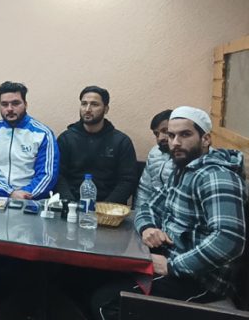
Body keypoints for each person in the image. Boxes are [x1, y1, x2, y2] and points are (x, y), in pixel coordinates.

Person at [92, 106, 246, 319]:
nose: (175, 142)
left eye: (185, 134)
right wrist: (147, 227)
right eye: (171, 135)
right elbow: (147, 206)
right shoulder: (181, 170)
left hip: (200, 281)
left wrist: (173, 267)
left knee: (105, 303)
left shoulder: (217, 177)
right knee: (93, 276)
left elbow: (229, 239)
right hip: (169, 260)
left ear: (206, 139)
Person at [0, 81, 59, 200]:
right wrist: (9, 192)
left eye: (15, 103)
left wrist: (25, 195)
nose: (10, 109)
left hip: (29, 198)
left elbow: (47, 175)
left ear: (26, 104)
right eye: (4, 104)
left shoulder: (43, 133)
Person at [55, 86, 138, 204]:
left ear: (106, 109)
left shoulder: (121, 141)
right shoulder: (66, 138)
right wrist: (70, 203)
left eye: (94, 104)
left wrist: (105, 207)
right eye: (84, 104)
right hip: (71, 205)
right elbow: (58, 175)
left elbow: (127, 181)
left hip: (109, 209)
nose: (87, 109)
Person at [135, 109, 174, 209]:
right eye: (156, 134)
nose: (160, 138)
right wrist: (139, 216)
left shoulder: (189, 156)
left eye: (166, 131)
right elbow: (145, 189)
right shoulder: (155, 153)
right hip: (153, 215)